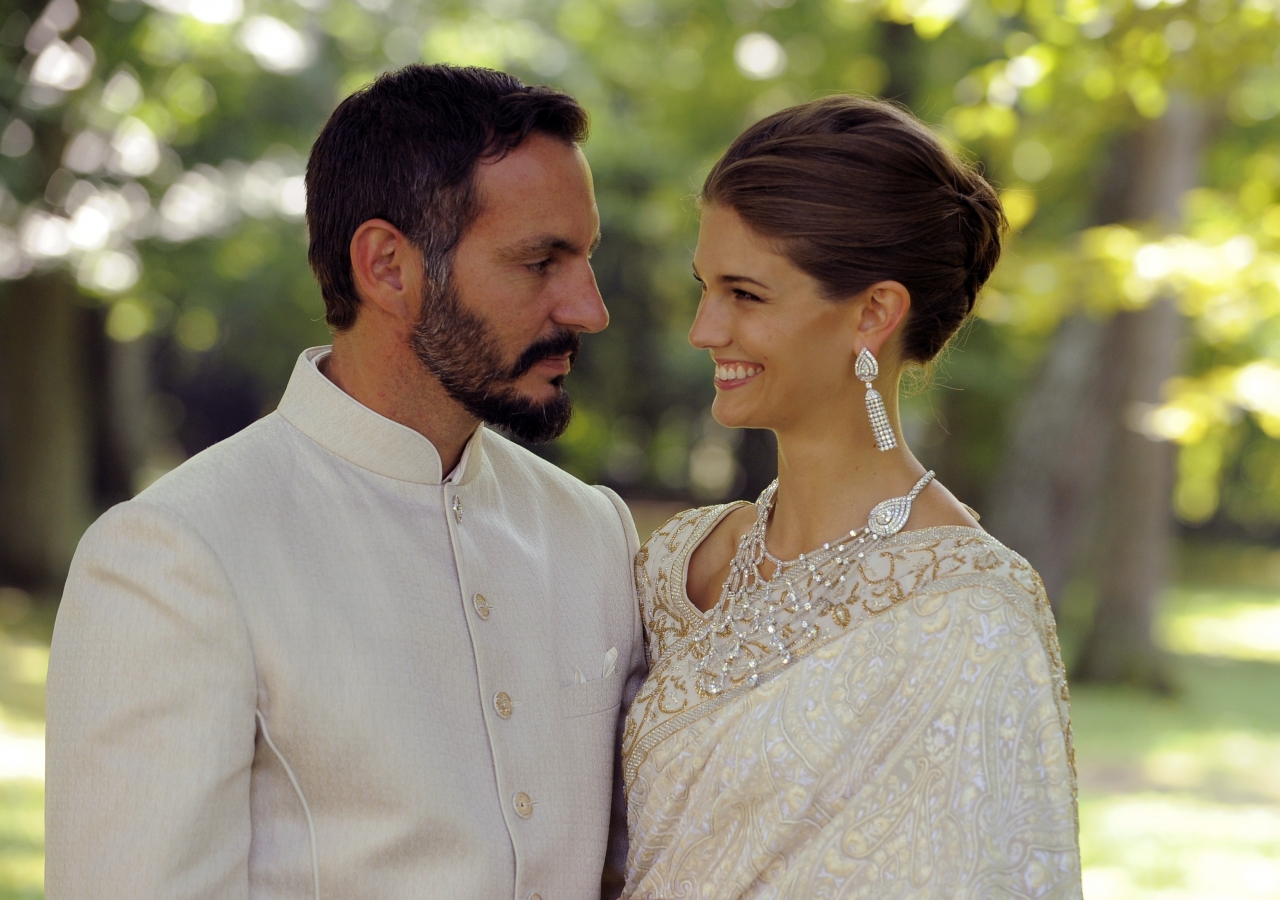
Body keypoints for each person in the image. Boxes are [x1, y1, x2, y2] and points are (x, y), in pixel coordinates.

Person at [46, 64, 645, 900]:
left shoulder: (593, 532)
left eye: (583, 258)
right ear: (388, 267)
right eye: (541, 261)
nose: (588, 308)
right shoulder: (176, 555)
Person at [621, 96, 1081, 899]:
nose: (704, 328)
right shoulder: (679, 566)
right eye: (705, 286)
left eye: (745, 294)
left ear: (874, 313)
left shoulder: (972, 616)